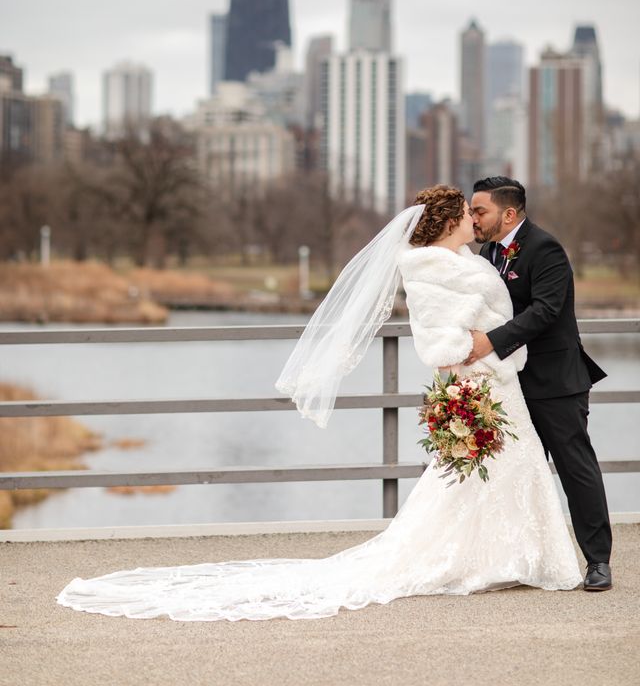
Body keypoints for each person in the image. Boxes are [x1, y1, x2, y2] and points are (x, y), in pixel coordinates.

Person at [57, 185, 582, 623]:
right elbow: (443, 342)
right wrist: (484, 353)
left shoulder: (468, 259)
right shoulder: (437, 270)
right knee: (487, 472)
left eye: (478, 211)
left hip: (496, 381)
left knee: (499, 472)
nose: (474, 218)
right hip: (484, 380)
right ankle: (487, 559)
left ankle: (503, 556)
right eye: (466, 214)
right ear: (447, 224)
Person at [468, 176, 612, 592]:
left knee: (575, 468)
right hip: (508, 385)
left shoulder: (544, 248)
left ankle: (598, 561)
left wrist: (488, 343)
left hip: (555, 381)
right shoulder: (487, 252)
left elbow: (547, 310)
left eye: (480, 211)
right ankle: (523, 559)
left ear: (508, 213)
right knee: (517, 471)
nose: (473, 218)